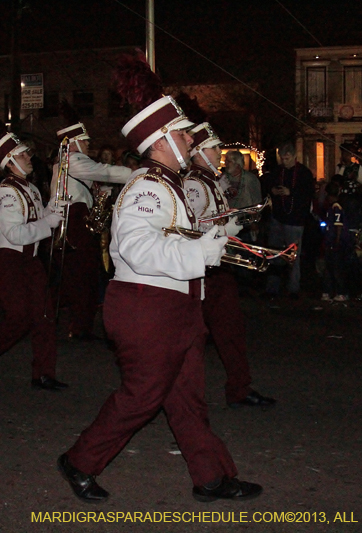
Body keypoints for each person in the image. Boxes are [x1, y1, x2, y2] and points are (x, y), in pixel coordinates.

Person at [58, 89, 261, 503]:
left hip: (174, 304)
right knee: (143, 397)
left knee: (187, 399)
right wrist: (199, 253)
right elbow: (137, 248)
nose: (190, 140)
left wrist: (218, 236)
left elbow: (173, 234)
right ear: (162, 140)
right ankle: (79, 461)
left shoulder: (168, 184)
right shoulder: (147, 187)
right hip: (147, 307)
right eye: (183, 134)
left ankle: (210, 477)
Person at [0, 132, 68, 391]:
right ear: (9, 162)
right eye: (22, 155)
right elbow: (15, 234)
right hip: (10, 260)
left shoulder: (30, 188)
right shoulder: (6, 192)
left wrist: (55, 206)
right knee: (19, 318)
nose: (28, 157)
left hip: (30, 260)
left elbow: (39, 218)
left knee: (44, 316)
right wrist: (48, 223)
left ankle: (43, 374)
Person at [184, 122, 276, 408]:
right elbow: (192, 229)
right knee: (192, 335)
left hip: (218, 267)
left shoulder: (212, 181)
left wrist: (235, 219)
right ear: (199, 152)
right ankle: (181, 392)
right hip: (202, 270)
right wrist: (229, 227)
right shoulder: (194, 184)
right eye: (214, 148)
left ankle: (239, 387)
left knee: (230, 329)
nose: (219, 153)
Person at [50, 123, 132, 340]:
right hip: (75, 222)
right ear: (75, 142)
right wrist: (138, 173)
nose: (88, 144)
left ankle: (77, 322)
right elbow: (105, 171)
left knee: (78, 276)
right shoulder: (74, 159)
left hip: (74, 220)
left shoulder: (67, 161)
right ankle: (79, 326)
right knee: (82, 276)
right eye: (85, 141)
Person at [264, 143, 315, 299]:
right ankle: (272, 288)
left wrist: (291, 192)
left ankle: (293, 289)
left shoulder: (304, 173)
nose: (284, 162)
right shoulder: (278, 171)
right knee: (274, 253)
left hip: (295, 221)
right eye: (282, 159)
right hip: (278, 217)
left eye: (287, 158)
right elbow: (268, 184)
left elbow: (307, 194)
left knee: (293, 256)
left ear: (294, 157)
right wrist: (273, 190)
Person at [320, 181, 353, 302]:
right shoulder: (332, 207)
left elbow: (338, 225)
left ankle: (341, 292)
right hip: (331, 242)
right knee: (329, 268)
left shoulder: (336, 207)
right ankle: (328, 291)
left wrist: (337, 241)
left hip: (335, 242)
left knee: (336, 268)